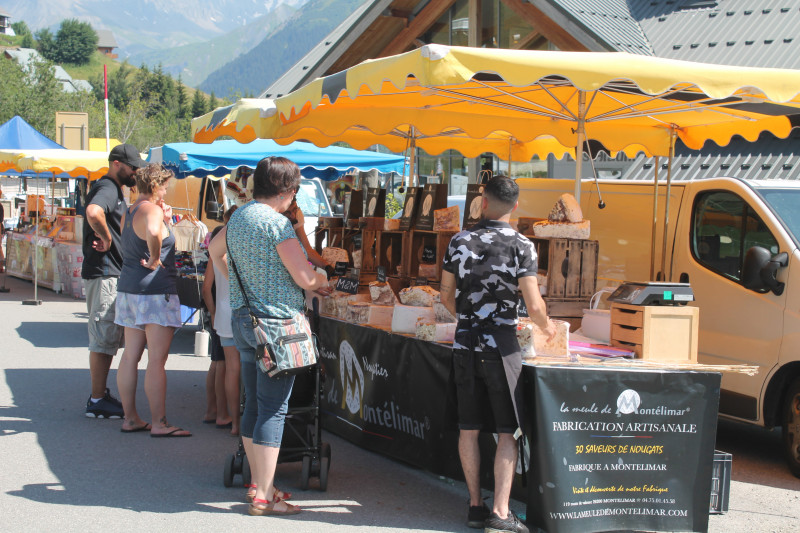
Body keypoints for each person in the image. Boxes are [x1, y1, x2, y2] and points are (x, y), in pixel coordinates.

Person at [440, 175, 556, 533]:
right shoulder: (523, 245)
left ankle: (475, 506)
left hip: (465, 344)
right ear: (516, 206)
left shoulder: (459, 240)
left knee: (469, 428)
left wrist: (466, 318)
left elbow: (445, 294)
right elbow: (534, 306)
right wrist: (549, 328)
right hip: (502, 347)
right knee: (508, 431)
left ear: (483, 202)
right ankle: (501, 513)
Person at [225, 156, 331, 516]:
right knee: (273, 407)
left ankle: (258, 484)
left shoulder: (238, 216)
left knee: (254, 404)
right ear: (287, 191)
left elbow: (214, 253)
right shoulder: (278, 224)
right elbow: (304, 277)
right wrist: (322, 281)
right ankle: (263, 495)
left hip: (244, 318)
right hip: (276, 325)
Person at [114, 164, 189, 437]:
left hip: (129, 288)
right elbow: (154, 233)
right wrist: (156, 258)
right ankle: (159, 422)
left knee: (130, 356)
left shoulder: (131, 210)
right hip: (156, 291)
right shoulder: (152, 210)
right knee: (157, 360)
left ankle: (130, 417)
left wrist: (165, 223)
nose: (167, 190)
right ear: (156, 186)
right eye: (165, 186)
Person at [82, 144, 145, 418]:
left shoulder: (113, 189)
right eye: (133, 168)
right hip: (105, 273)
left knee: (107, 338)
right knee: (104, 338)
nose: (136, 173)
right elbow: (94, 212)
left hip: (109, 273)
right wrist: (107, 239)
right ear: (118, 164)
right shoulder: (107, 187)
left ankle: (99, 396)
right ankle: (96, 400)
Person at [202, 206, 240, 436]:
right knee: (243, 369)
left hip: (224, 314)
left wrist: (214, 312)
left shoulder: (216, 247)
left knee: (229, 368)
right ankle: (239, 420)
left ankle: (232, 421)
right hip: (243, 312)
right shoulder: (245, 246)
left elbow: (207, 288)